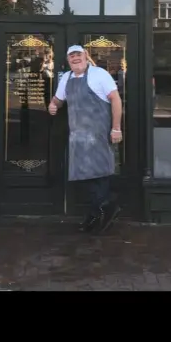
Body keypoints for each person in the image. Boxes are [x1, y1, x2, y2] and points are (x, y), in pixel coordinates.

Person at [49, 45, 123, 233]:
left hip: (98, 135)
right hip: (78, 138)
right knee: (83, 177)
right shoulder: (66, 78)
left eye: (78, 55)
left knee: (99, 175)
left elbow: (115, 99)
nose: (75, 58)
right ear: (68, 60)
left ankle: (100, 214)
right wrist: (53, 104)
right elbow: (59, 99)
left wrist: (116, 128)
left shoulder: (99, 74)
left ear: (85, 56)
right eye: (71, 56)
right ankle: (100, 211)